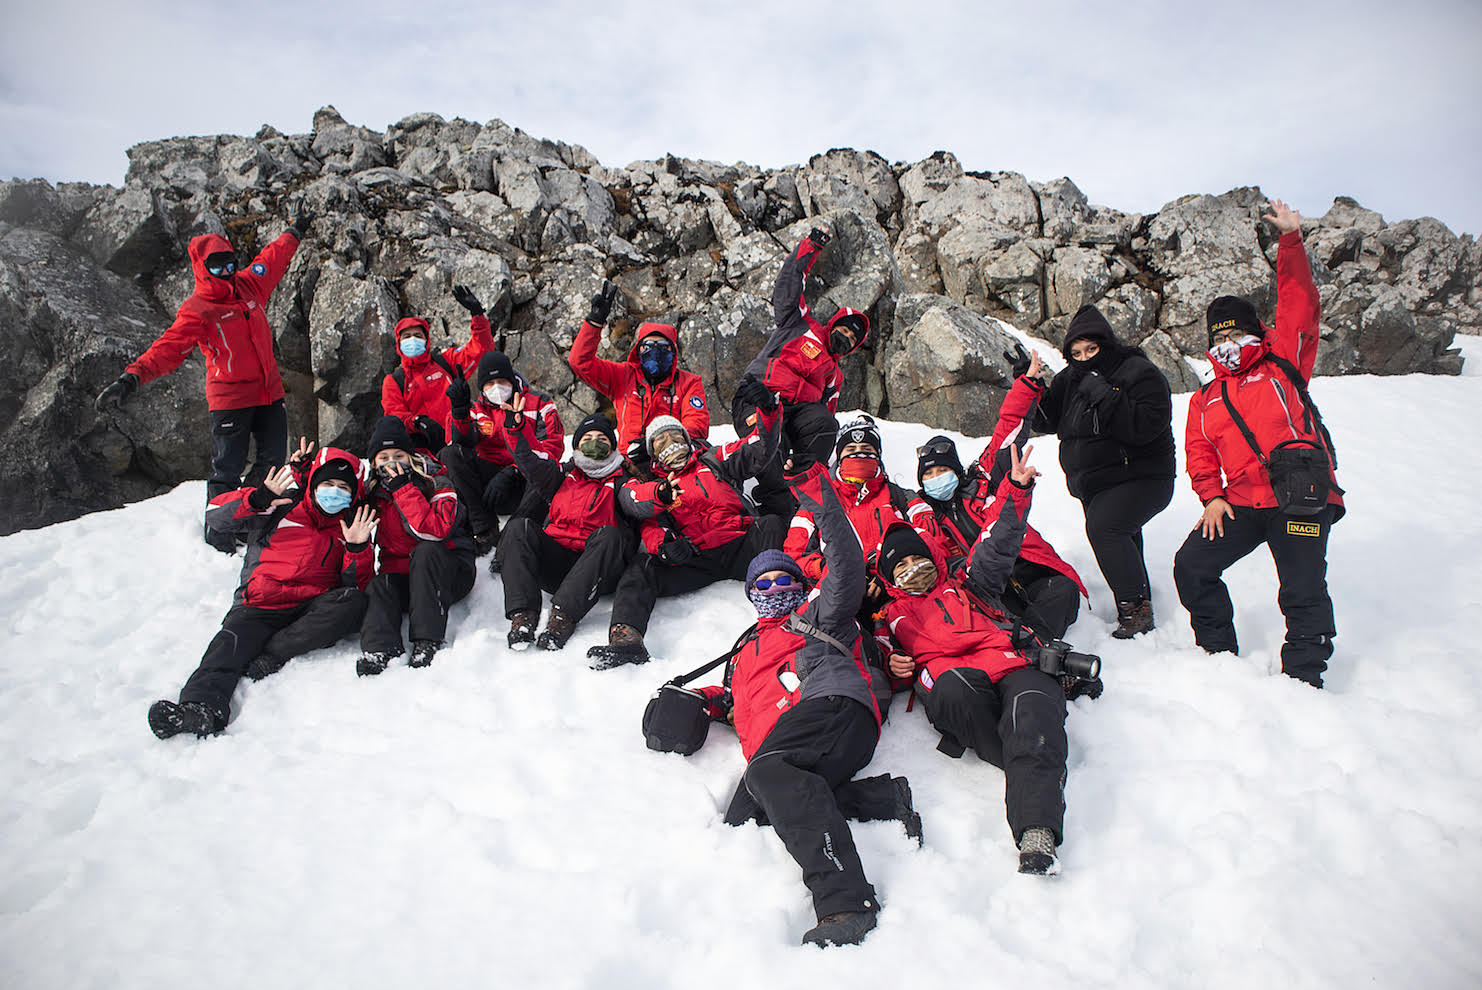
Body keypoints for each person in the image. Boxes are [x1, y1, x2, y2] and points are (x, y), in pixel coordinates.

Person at [698, 480, 914, 948]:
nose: (777, 587)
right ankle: (881, 799)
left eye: (785, 579)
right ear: (752, 593)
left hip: (832, 705)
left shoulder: (820, 614)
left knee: (771, 772)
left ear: (800, 585)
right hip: (789, 739)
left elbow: (849, 568)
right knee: (747, 813)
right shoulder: (743, 653)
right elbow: (733, 699)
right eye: (765, 582)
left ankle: (846, 902)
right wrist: (696, 703)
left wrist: (820, 502)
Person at [874, 443, 1073, 875]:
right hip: (955, 683)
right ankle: (1032, 757)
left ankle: (1035, 830)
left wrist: (1017, 492)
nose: (912, 568)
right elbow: (880, 659)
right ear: (888, 576)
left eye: (918, 558)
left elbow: (997, 544)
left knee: (1033, 702)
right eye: (901, 565)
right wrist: (893, 664)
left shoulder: (968, 583)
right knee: (955, 689)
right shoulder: (886, 616)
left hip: (1009, 663)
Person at [1173, 199, 1342, 688]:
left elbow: (1300, 306)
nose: (1230, 343)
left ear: (1256, 333)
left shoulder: (1283, 363)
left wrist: (1290, 242)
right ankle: (1218, 655)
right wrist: (1212, 496)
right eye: (1220, 337)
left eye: (1239, 333)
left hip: (1300, 500)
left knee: (1302, 589)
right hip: (1242, 502)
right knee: (1192, 566)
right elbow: (1199, 452)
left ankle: (1304, 677)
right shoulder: (1206, 397)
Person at [95, 213, 313, 553]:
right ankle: (220, 533)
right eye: (217, 267)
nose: (226, 272)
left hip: (269, 393)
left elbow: (272, 260)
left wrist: (294, 232)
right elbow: (168, 348)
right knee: (227, 468)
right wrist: (132, 377)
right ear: (202, 267)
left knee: (272, 462)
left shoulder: (248, 285)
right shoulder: (199, 309)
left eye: (230, 264)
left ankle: (253, 518)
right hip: (230, 400)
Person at [147, 442, 374, 739]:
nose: (334, 492)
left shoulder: (352, 525)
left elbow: (356, 586)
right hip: (260, 602)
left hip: (309, 607)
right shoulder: (281, 506)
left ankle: (272, 652)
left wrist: (357, 547)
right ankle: (200, 710)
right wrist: (257, 499)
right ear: (314, 483)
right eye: (327, 483)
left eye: (343, 487)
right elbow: (216, 517)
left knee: (352, 602)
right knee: (226, 646)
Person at [588, 376, 788, 668]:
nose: (671, 443)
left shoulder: (714, 458)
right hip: (695, 557)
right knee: (642, 569)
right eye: (661, 440)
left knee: (771, 524)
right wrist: (665, 547)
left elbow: (758, 449)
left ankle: (783, 607)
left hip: (739, 544)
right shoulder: (651, 483)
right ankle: (626, 639)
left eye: (676, 435)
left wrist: (769, 414)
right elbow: (637, 505)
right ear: (652, 451)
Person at [911, 354, 1088, 640]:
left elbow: (1008, 429)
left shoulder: (985, 478)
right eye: (929, 475)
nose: (936, 479)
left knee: (1063, 592)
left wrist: (1028, 385)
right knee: (988, 615)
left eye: (942, 470)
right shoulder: (926, 515)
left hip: (1029, 567)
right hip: (988, 583)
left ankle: (1032, 643)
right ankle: (1024, 645)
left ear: (956, 470)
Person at [1031, 304, 1175, 638]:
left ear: (1106, 345)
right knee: (1122, 536)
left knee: (1105, 529)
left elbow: (1145, 427)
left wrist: (1106, 394)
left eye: (1092, 349)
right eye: (1077, 353)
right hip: (1095, 483)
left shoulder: (1138, 372)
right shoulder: (1071, 378)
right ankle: (1140, 603)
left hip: (1142, 476)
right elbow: (1045, 420)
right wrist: (1033, 385)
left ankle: (1135, 611)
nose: (1085, 358)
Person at [732, 226, 870, 515]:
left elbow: (825, 417)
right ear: (833, 324)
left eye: (852, 339)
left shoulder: (835, 376)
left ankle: (802, 481)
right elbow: (789, 285)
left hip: (793, 413)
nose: (846, 337)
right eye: (844, 329)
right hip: (758, 394)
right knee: (772, 439)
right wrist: (809, 249)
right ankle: (772, 493)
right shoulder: (800, 324)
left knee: (825, 425)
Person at [499, 412, 635, 651]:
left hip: (597, 569)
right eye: (588, 437)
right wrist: (517, 430)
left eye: (602, 439)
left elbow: (640, 499)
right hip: (558, 563)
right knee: (519, 526)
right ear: (577, 444)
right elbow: (532, 460)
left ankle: (562, 617)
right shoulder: (562, 475)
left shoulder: (623, 480)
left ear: (613, 447)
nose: (595, 442)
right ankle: (523, 617)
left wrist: (660, 494)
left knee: (610, 534)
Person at [356, 416, 476, 675]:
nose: (391, 462)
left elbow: (434, 532)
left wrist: (404, 489)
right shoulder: (373, 494)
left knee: (425, 550)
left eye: (398, 454)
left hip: (448, 572)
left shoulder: (437, 482)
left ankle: (427, 640)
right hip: (405, 578)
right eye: (383, 456)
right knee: (380, 584)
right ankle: (381, 648)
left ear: (410, 457)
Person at [568, 282, 710, 473]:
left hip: (674, 461)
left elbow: (697, 425)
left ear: (673, 350)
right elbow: (580, 362)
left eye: (663, 346)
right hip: (628, 465)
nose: (655, 351)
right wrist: (594, 322)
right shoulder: (622, 376)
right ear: (638, 349)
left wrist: (659, 443)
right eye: (648, 345)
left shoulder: (689, 382)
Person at [784, 414, 933, 585]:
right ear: (839, 458)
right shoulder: (817, 502)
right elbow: (795, 555)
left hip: (898, 585)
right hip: (839, 589)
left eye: (867, 450)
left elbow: (932, 542)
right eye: (851, 451)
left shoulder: (902, 497)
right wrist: (827, 568)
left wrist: (890, 571)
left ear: (878, 456)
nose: (859, 455)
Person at [440, 350, 565, 554]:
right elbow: (461, 443)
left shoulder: (539, 403)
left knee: (550, 471)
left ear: (512, 379)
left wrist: (514, 471)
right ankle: (484, 529)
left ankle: (510, 542)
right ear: (481, 387)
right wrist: (460, 412)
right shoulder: (477, 409)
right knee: (450, 454)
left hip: (526, 482)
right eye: (489, 384)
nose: (495, 388)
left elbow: (553, 447)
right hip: (489, 489)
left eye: (501, 381)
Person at [381, 285, 496, 455]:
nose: (413, 340)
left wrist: (478, 315)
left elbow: (481, 348)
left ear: (427, 341)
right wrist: (418, 422)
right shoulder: (394, 380)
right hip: (421, 449)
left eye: (418, 336)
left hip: (459, 441)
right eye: (407, 336)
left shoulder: (446, 362)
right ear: (399, 343)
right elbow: (395, 415)